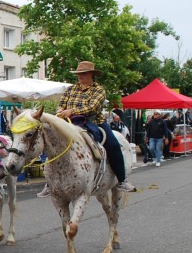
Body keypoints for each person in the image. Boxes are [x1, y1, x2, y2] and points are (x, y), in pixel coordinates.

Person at [56, 61, 136, 192]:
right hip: (70, 123)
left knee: (114, 145)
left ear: (91, 74)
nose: (80, 76)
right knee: (52, 142)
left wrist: (72, 111)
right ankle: (50, 182)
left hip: (95, 122)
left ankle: (122, 180)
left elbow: (92, 107)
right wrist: (60, 111)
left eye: (83, 73)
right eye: (78, 74)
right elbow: (61, 104)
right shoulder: (70, 89)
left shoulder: (98, 90)